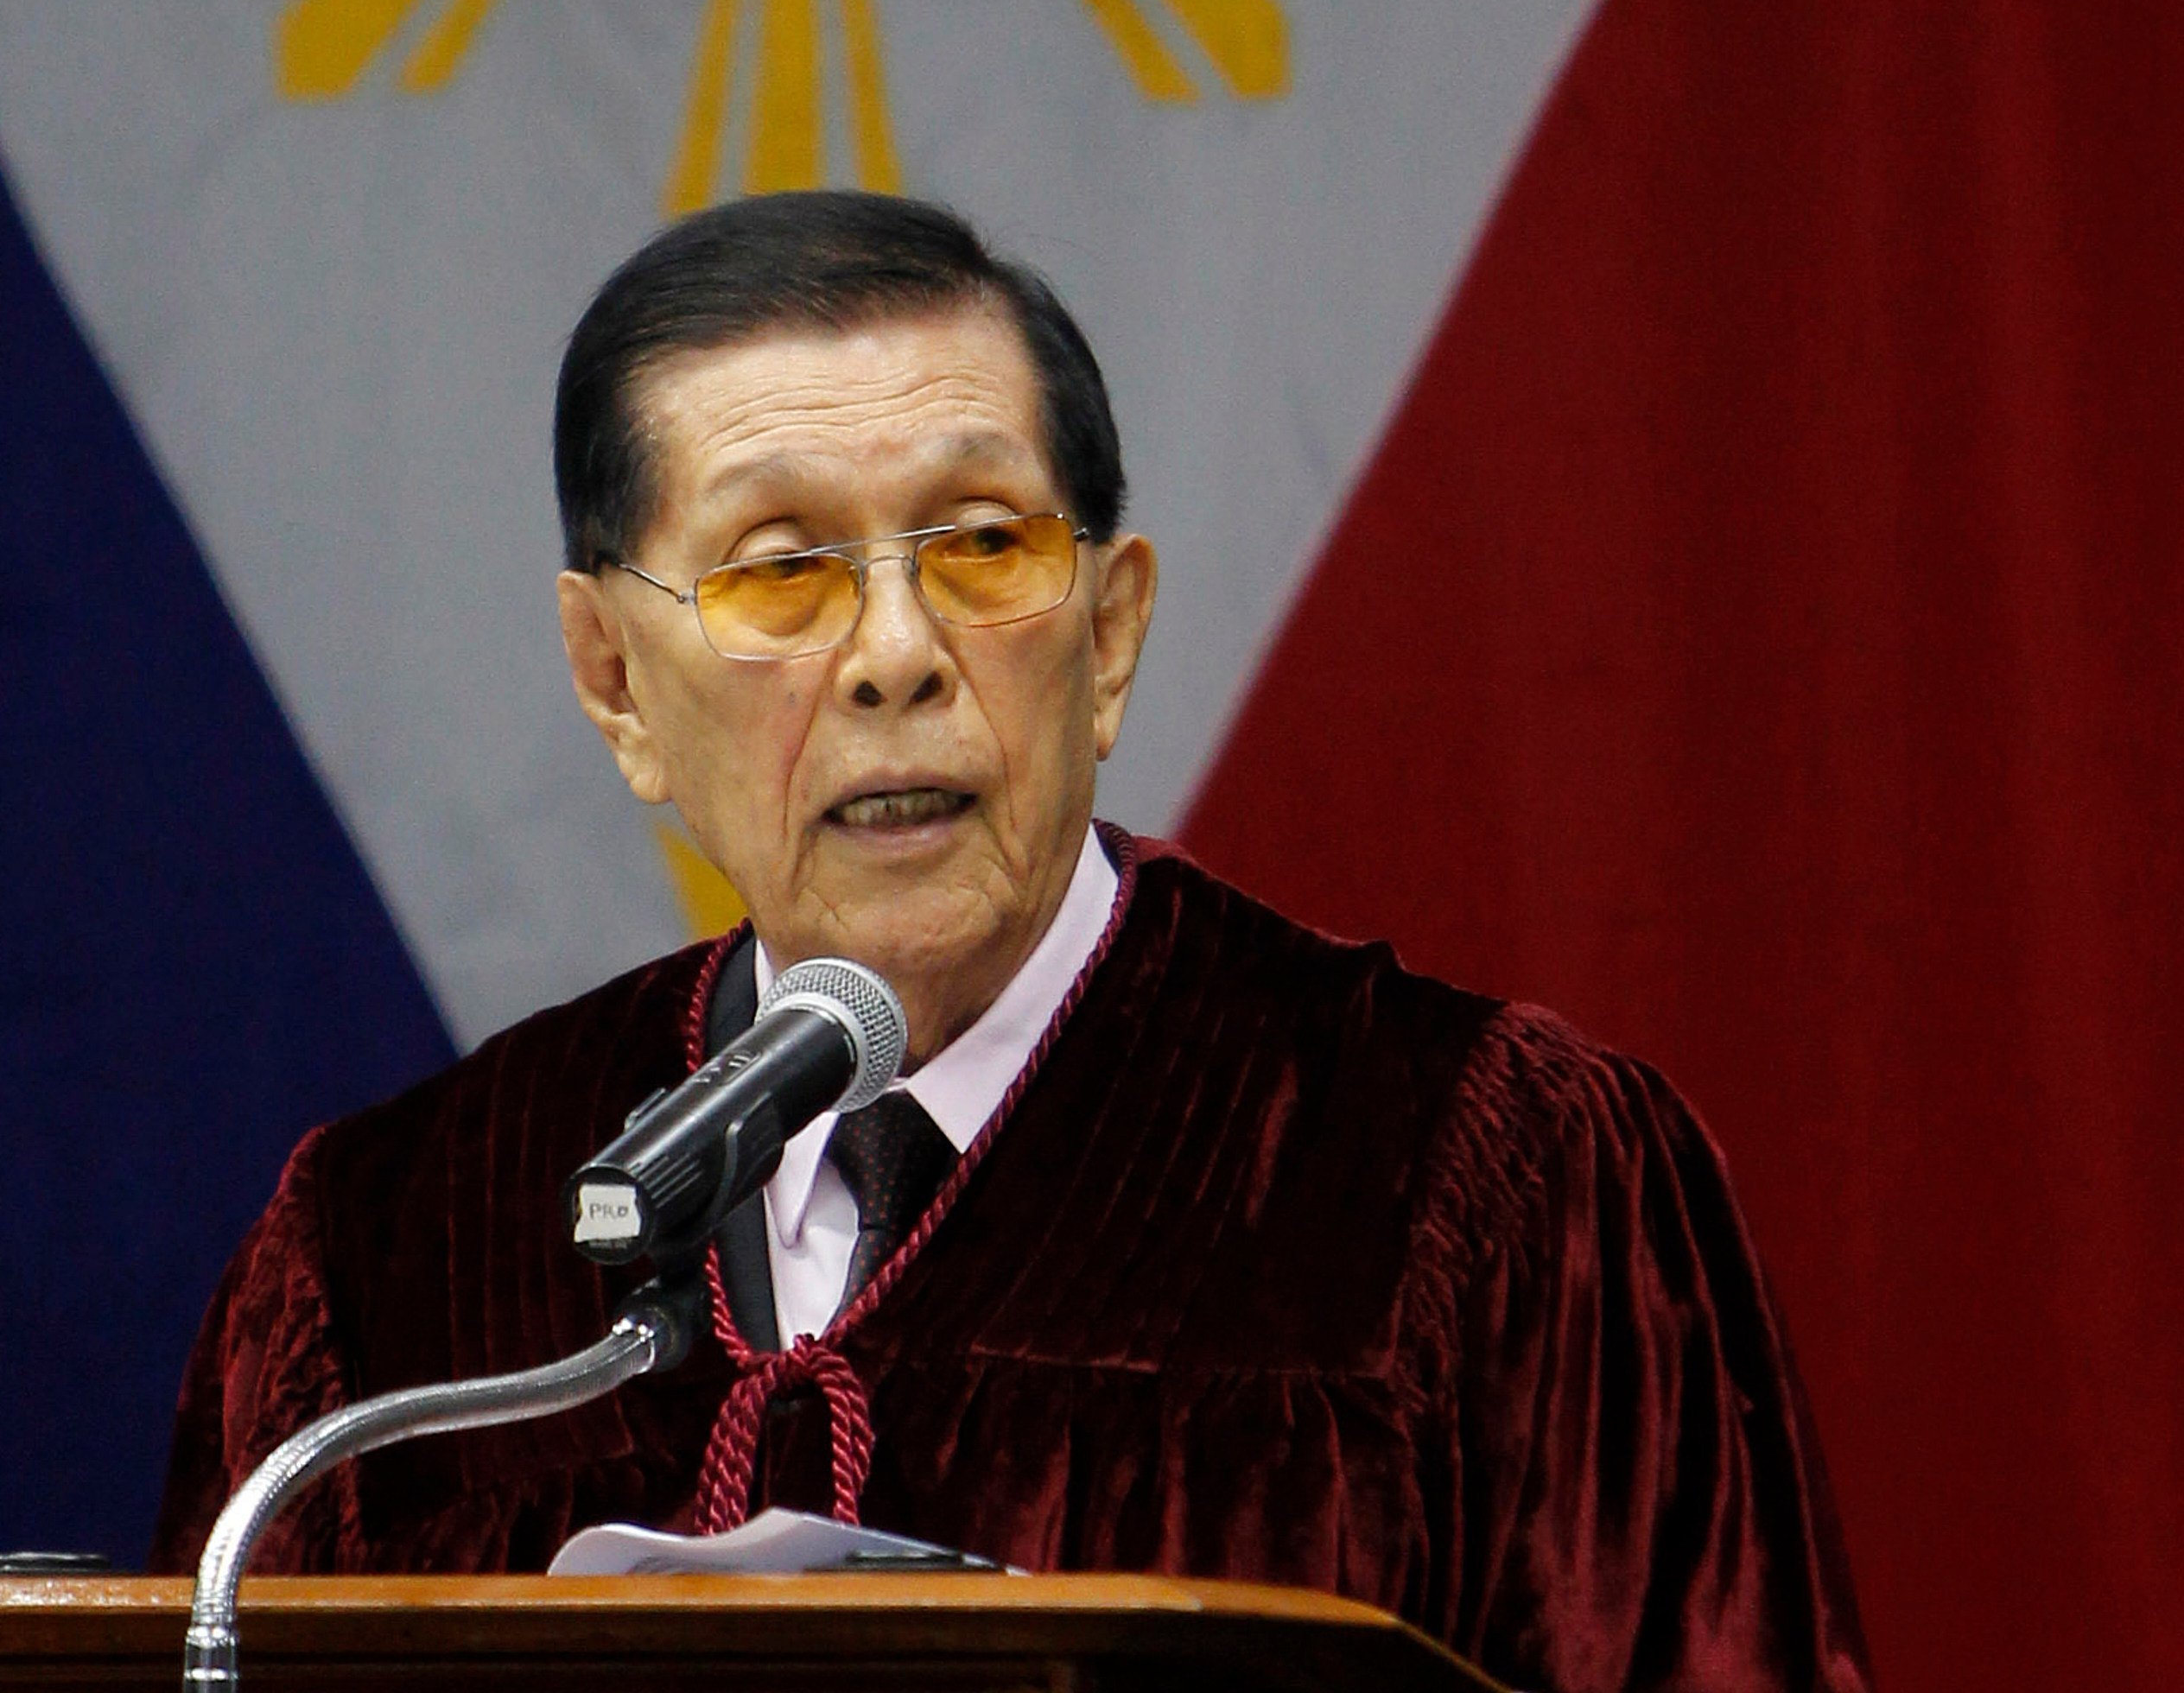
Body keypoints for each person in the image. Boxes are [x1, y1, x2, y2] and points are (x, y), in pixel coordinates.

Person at [152, 191, 1871, 1692]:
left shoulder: (1482, 1176)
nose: (897, 653)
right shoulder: (397, 1265)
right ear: (617, 685)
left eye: (981, 549)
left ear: (1109, 637)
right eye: (783, 572)